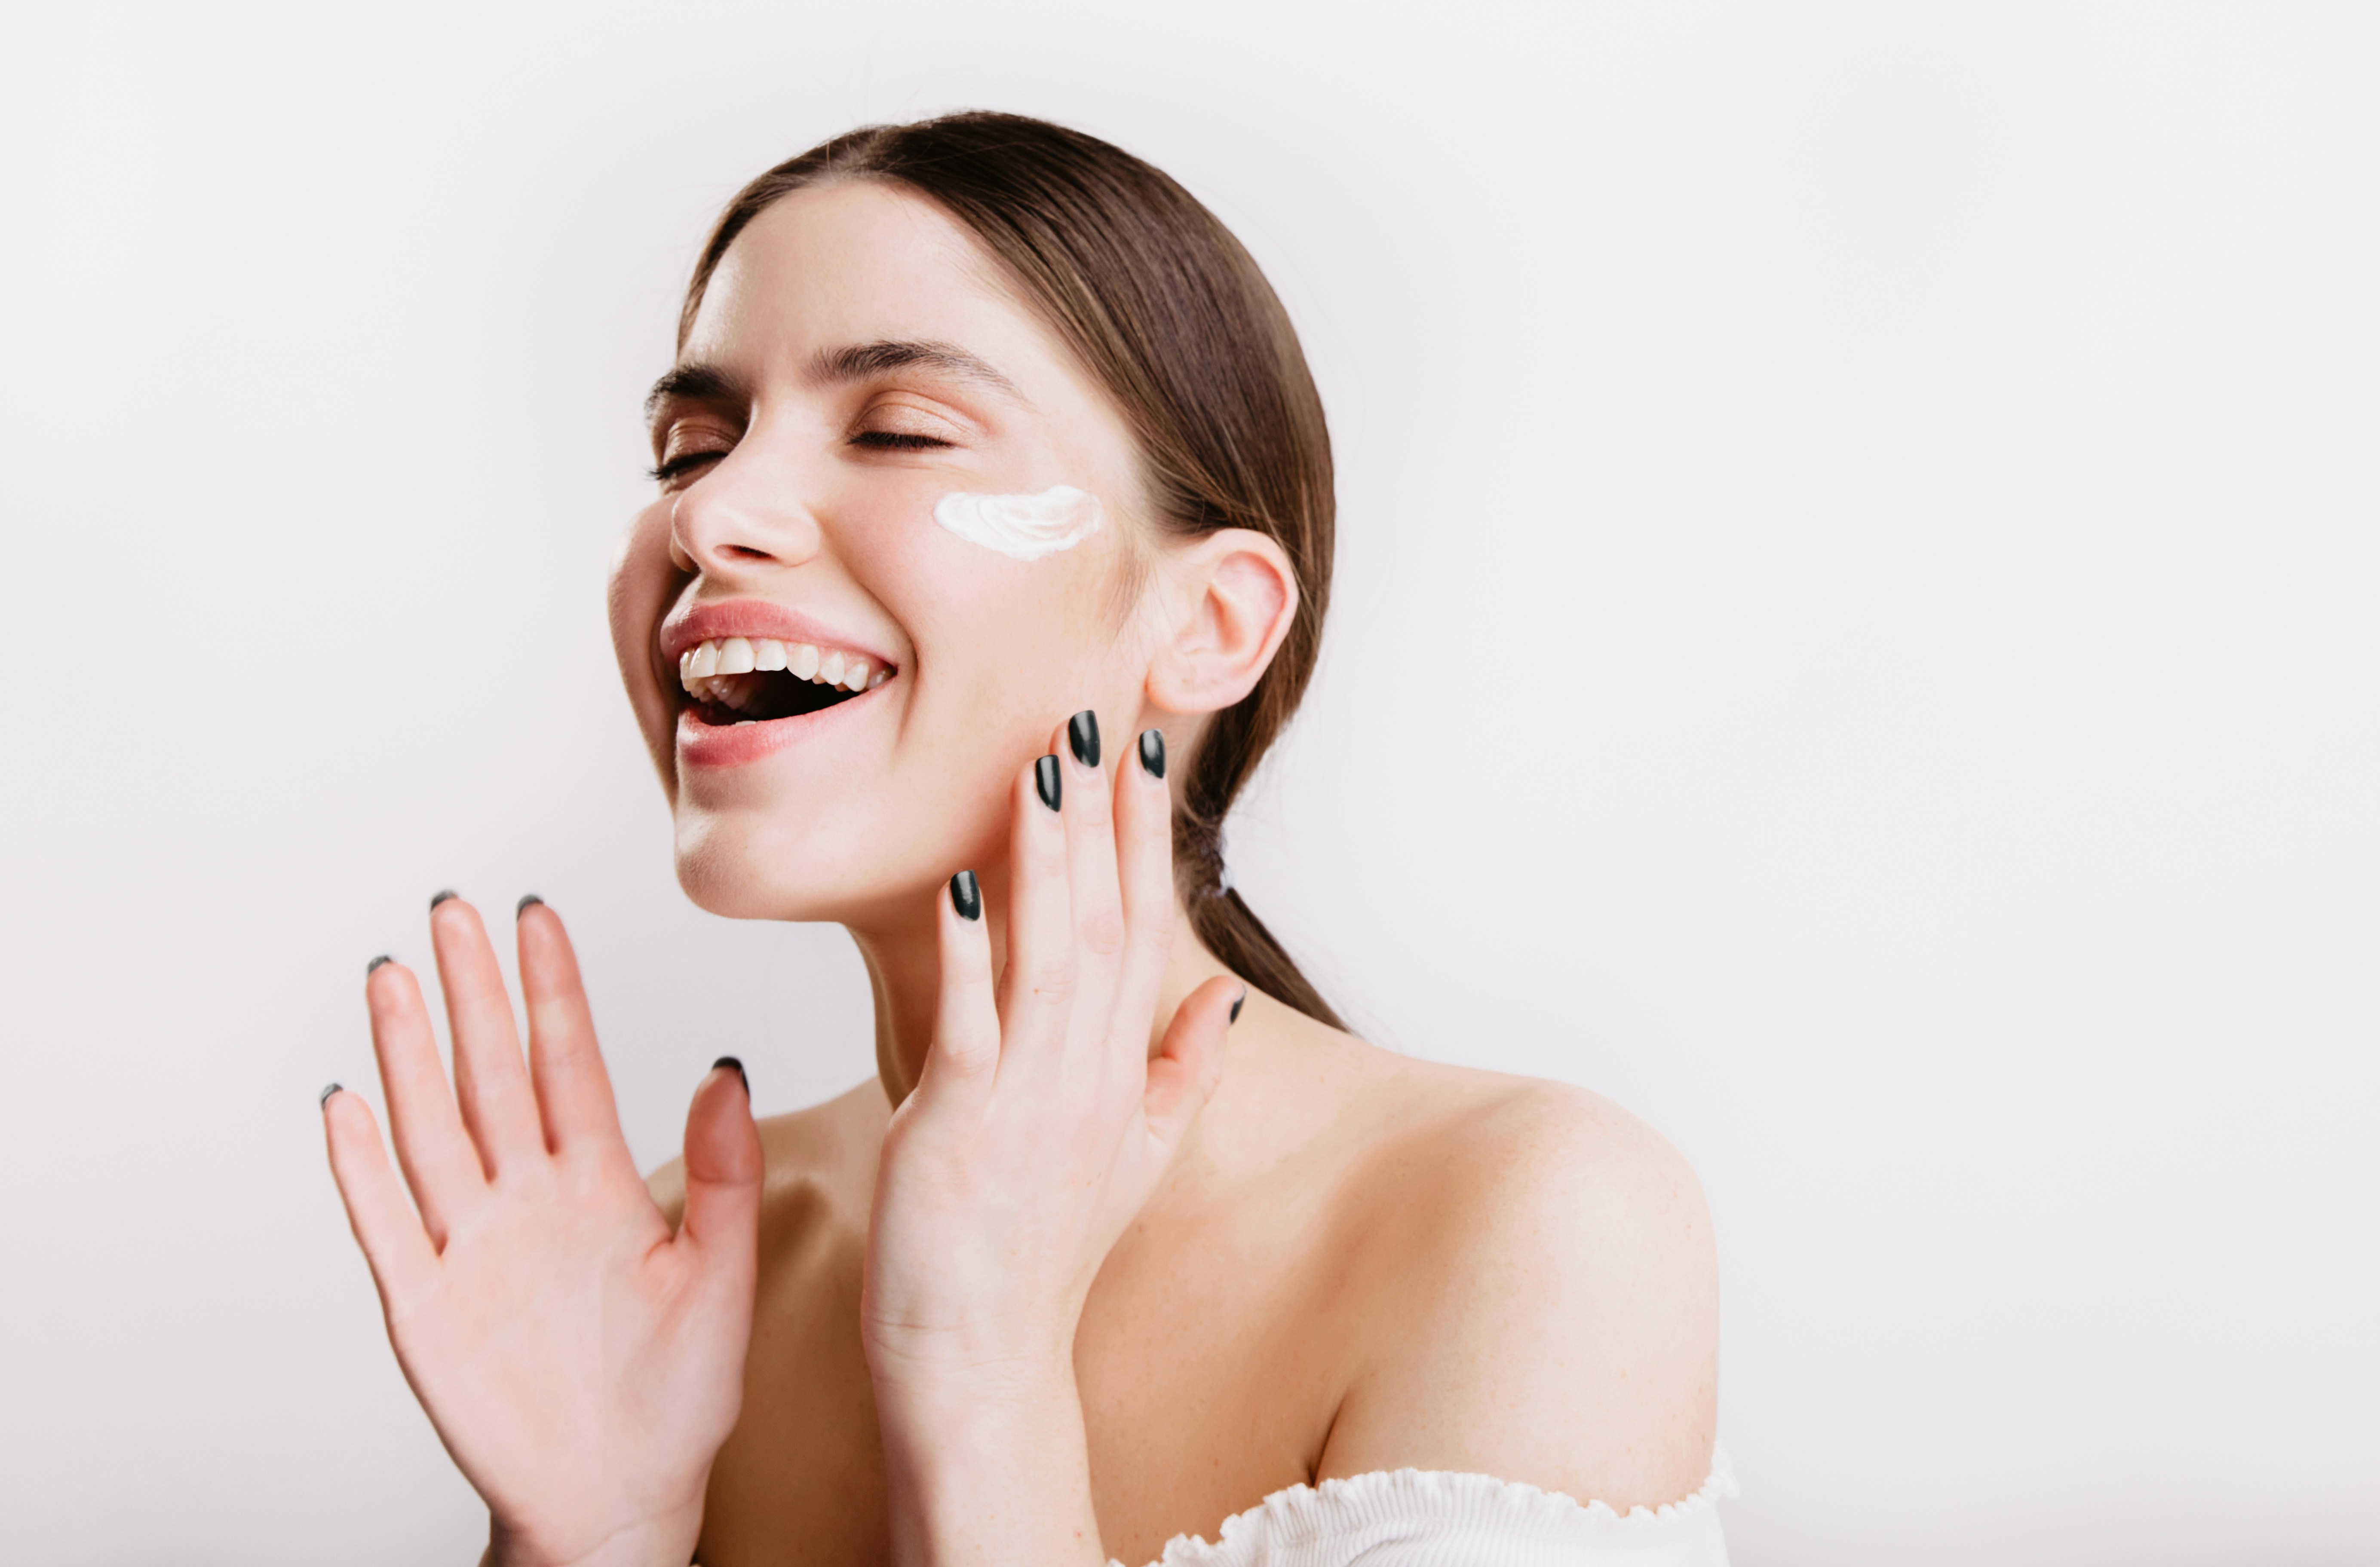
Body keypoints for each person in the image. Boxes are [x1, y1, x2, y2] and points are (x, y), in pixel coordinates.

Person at [318, 113, 1727, 1567]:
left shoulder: (1534, 1224)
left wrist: (980, 1378)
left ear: (1210, 622)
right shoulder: (683, 1279)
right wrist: (590, 1542)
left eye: (899, 430)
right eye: (692, 446)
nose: (711, 513)